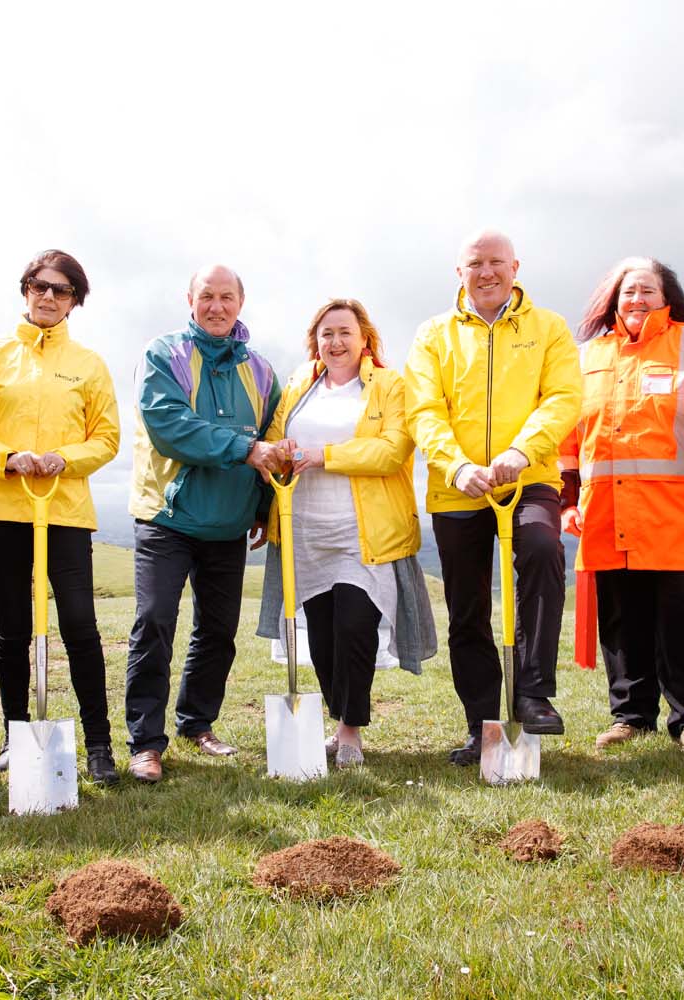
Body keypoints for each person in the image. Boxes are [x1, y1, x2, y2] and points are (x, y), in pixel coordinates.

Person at [558, 257, 684, 760]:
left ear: (667, 297)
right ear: (612, 299)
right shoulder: (586, 357)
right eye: (627, 291)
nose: (636, 300)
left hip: (676, 514)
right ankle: (631, 717)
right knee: (623, 620)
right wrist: (565, 498)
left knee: (681, 619)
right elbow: (566, 432)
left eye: (647, 291)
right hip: (606, 513)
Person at [404, 230, 582, 765]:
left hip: (527, 474)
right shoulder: (433, 334)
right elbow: (423, 409)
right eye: (475, 263)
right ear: (458, 272)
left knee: (542, 550)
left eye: (496, 263)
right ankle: (481, 723)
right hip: (457, 486)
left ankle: (533, 692)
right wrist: (457, 466)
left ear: (515, 267)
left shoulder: (547, 328)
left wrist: (521, 452)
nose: (486, 273)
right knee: (468, 608)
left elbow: (563, 398)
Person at [0, 250, 121, 786]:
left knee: (79, 624)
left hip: (66, 511)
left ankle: (98, 744)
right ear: (24, 289)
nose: (48, 297)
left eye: (62, 289)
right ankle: (15, 734)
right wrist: (7, 458)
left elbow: (107, 438)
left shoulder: (90, 364)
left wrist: (62, 460)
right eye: (39, 286)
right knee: (12, 627)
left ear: (75, 301)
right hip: (3, 507)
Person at [253, 299, 437, 768]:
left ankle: (351, 729)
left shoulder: (389, 385)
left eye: (344, 333)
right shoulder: (299, 383)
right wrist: (279, 451)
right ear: (315, 340)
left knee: (355, 625)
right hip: (305, 531)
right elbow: (275, 435)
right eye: (326, 334)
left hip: (364, 532)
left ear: (365, 338)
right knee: (322, 633)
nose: (335, 343)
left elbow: (393, 449)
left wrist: (322, 455)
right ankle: (336, 720)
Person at [123, 265, 282, 782]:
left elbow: (269, 438)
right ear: (189, 300)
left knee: (218, 631)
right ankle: (145, 743)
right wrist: (244, 449)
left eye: (227, 297)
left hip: (227, 524)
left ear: (241, 302)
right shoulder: (164, 354)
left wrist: (260, 508)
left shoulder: (260, 371)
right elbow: (171, 428)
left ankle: (198, 723)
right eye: (207, 296)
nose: (217, 306)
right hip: (166, 518)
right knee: (154, 622)